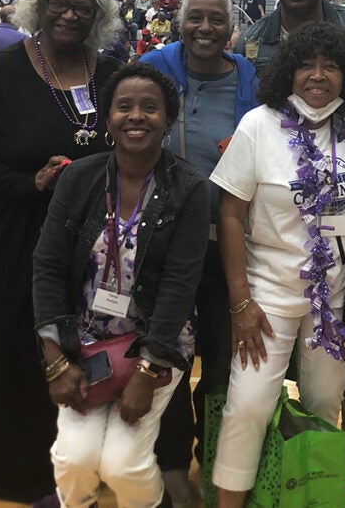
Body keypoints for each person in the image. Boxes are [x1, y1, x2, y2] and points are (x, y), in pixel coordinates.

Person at [0, 0, 122, 507]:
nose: (69, 15)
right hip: (10, 229)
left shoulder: (111, 72)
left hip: (83, 235)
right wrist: (27, 182)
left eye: (82, 8)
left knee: (69, 349)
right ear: (38, 6)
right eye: (59, 4)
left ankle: (58, 475)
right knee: (0, 344)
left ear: (98, 17)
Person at [210, 22, 345, 508]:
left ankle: (311, 495)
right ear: (290, 71)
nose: (319, 75)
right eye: (307, 64)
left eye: (331, 65)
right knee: (249, 405)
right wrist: (241, 299)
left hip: (336, 297)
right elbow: (230, 211)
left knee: (326, 403)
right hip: (269, 293)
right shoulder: (259, 125)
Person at [31, 63, 209, 507]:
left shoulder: (188, 187)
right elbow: (48, 265)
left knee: (123, 465)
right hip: (84, 341)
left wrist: (147, 373)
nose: (136, 116)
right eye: (124, 106)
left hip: (156, 342)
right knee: (73, 460)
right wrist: (55, 361)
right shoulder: (79, 178)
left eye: (150, 108)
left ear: (168, 121)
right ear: (107, 118)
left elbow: (179, 285)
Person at [139, 0, 260, 504]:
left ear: (230, 28)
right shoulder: (153, 67)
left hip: (227, 243)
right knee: (163, 357)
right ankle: (170, 465)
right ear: (179, 22)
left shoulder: (250, 78)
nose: (205, 29)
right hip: (162, 245)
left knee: (221, 361)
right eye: (196, 19)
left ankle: (218, 460)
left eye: (216, 20)